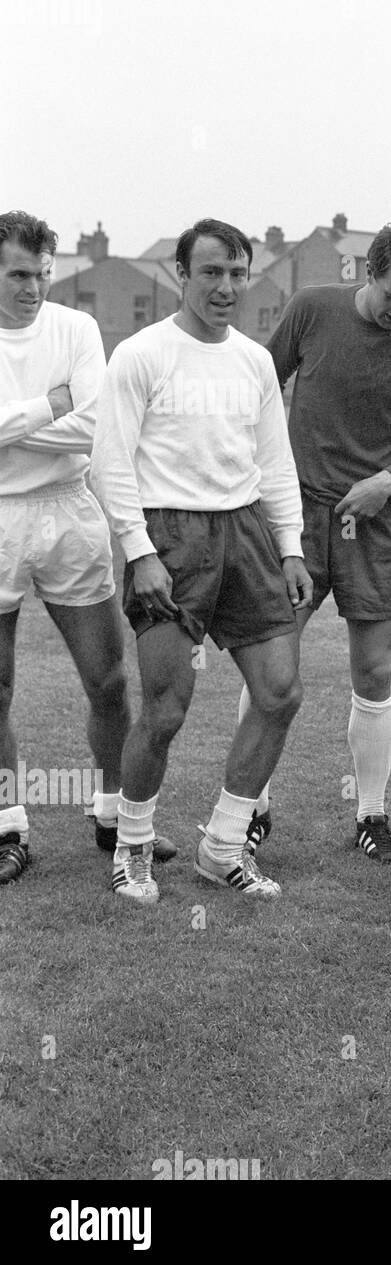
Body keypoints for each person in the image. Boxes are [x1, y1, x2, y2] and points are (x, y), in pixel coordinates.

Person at [90, 218, 309, 902]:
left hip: (245, 535)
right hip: (169, 538)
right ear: (180, 276)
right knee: (165, 709)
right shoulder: (141, 355)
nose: (225, 287)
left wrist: (292, 546)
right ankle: (132, 849)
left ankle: (222, 845)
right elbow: (109, 462)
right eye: (211, 272)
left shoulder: (252, 360)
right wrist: (141, 551)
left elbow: (275, 461)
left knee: (280, 692)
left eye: (237, 273)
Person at [267, 222, 391, 866]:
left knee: (375, 671)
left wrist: (388, 481)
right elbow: (262, 393)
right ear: (367, 272)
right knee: (273, 667)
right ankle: (252, 807)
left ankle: (371, 815)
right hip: (297, 516)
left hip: (376, 521)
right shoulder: (310, 309)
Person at [0, 210, 176, 887]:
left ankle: (112, 817)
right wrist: (52, 405)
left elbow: (98, 427)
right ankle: (9, 826)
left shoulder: (76, 328)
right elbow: (72, 417)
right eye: (19, 274)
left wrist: (18, 425)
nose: (34, 288)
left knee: (107, 681)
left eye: (44, 274)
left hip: (70, 512)